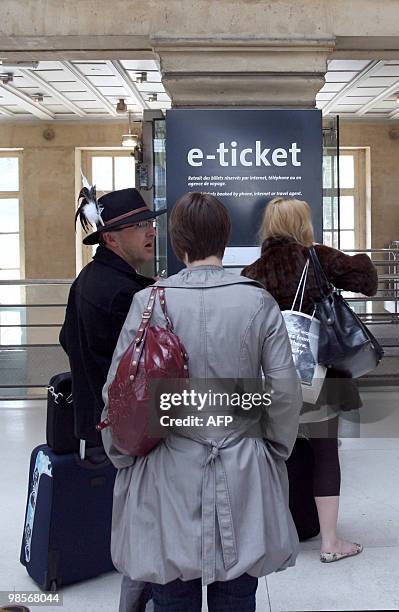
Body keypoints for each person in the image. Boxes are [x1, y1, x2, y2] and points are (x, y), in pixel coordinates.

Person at [101, 192, 302, 612]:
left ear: (179, 243)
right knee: (237, 594)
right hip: (243, 465)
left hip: (167, 472)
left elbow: (117, 396)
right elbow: (285, 390)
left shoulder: (149, 302)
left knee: (172, 595)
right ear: (225, 239)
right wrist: (276, 449)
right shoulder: (257, 300)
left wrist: (123, 456)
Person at [242, 197, 378, 563]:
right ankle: (330, 541)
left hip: (272, 380)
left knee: (276, 455)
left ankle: (277, 532)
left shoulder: (252, 274)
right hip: (321, 377)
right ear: (303, 224)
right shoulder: (318, 258)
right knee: (324, 455)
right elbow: (368, 281)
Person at [60, 187, 165, 612]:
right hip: (124, 432)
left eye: (150, 223)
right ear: (110, 239)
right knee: (144, 530)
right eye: (138, 226)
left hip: (98, 424)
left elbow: (66, 340)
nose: (150, 232)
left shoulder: (90, 279)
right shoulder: (124, 295)